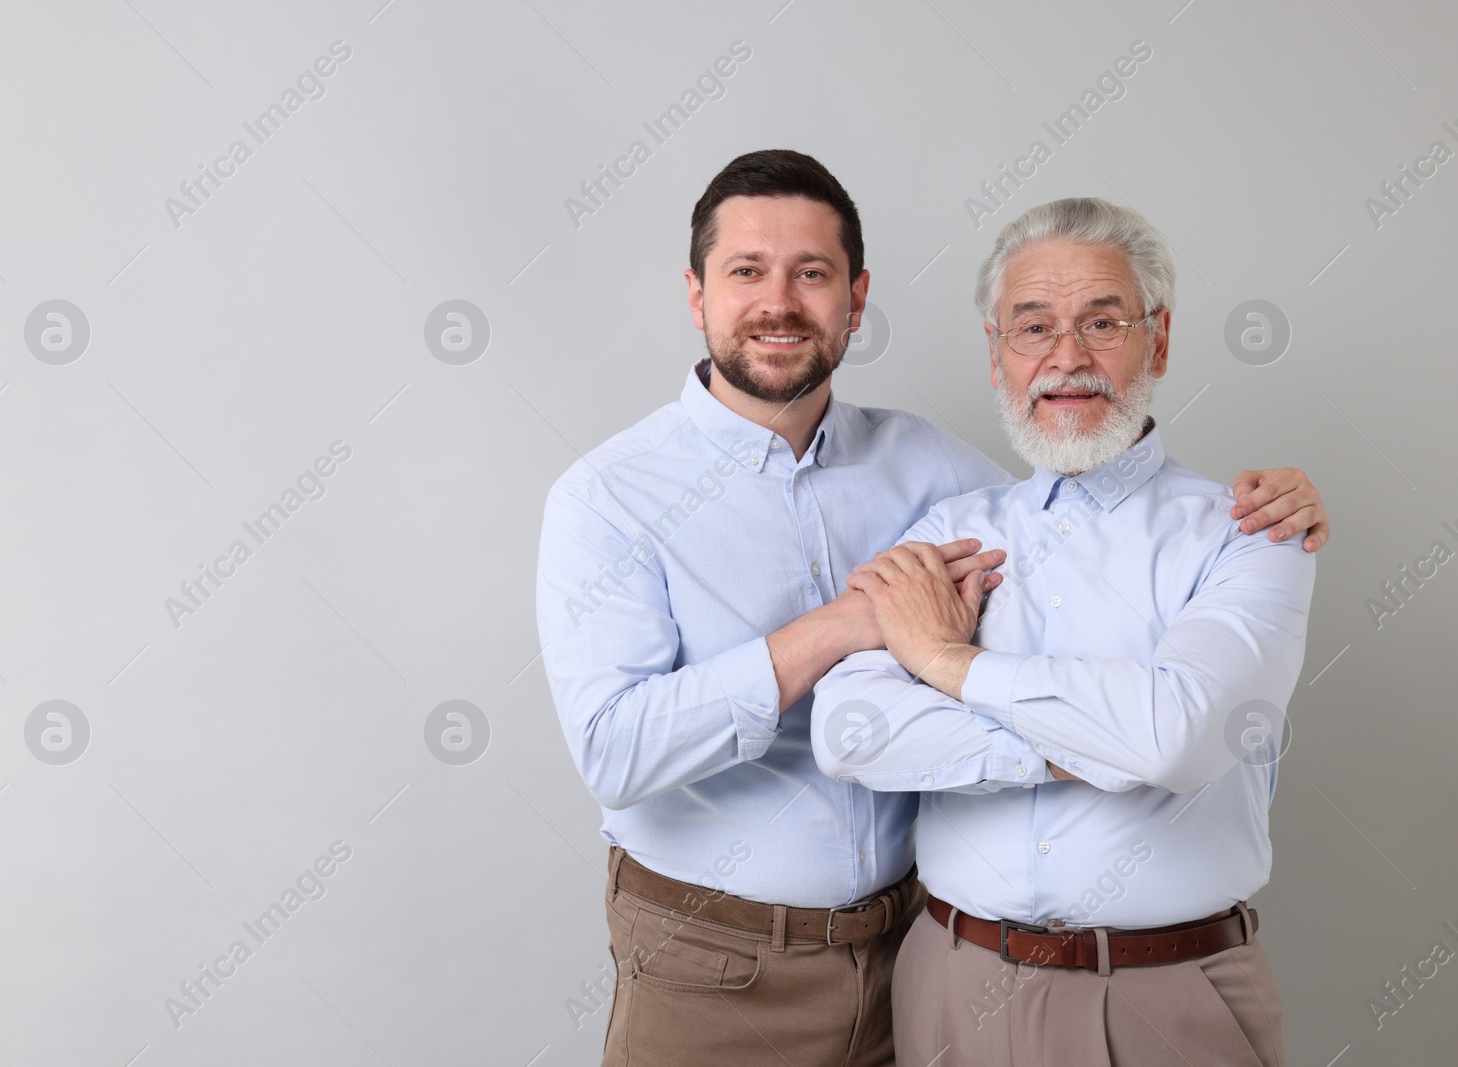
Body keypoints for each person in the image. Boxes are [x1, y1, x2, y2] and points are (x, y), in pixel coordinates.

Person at [535, 152, 1326, 1067]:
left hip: (905, 955)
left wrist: (963, 673)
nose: (779, 301)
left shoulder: (944, 481)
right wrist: (1107, 742)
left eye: (813, 273)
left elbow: (1081, 502)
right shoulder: (608, 496)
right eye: (747, 270)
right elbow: (802, 734)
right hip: (720, 964)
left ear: (856, 298)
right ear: (696, 291)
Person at [810, 196, 1312, 1067]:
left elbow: (1177, 737)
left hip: (1171, 998)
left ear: (1157, 341)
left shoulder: (1252, 531)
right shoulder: (943, 533)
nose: (1067, 357)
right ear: (997, 354)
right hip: (950, 985)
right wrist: (1091, 738)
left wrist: (943, 661)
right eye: (1033, 326)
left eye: (1102, 322)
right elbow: (847, 731)